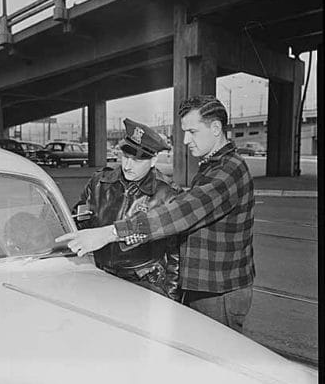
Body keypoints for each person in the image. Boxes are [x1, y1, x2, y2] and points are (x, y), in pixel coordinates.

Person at [57, 96, 255, 332]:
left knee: (217, 360)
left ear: (215, 128)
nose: (185, 140)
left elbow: (179, 213)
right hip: (206, 287)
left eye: (192, 131)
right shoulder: (213, 166)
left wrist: (110, 233)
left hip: (217, 291)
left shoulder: (228, 170)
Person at [71, 118, 181, 301]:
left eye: (137, 160)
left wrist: (170, 296)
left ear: (153, 160)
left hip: (144, 283)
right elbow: (79, 222)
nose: (128, 166)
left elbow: (175, 254)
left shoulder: (166, 194)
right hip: (100, 276)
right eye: (126, 157)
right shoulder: (100, 183)